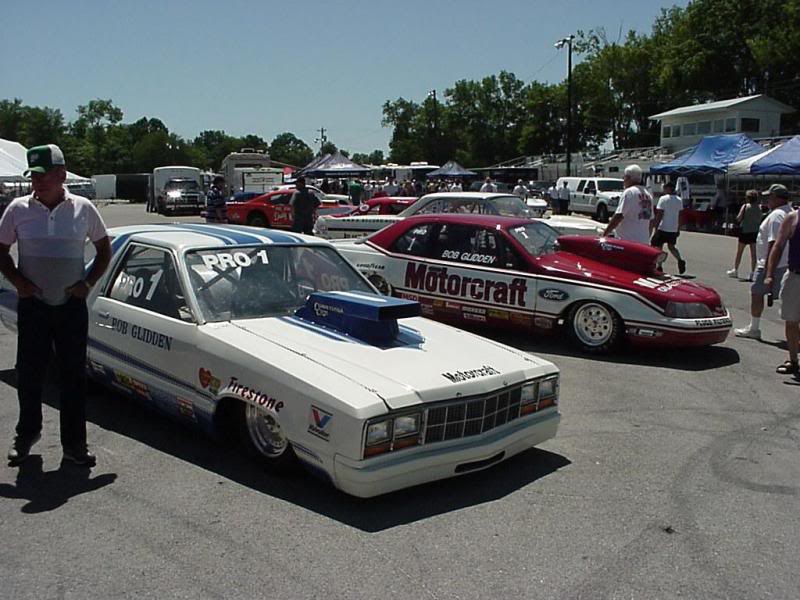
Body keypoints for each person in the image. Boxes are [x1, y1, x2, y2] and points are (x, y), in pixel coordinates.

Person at [0, 145, 111, 467]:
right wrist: (18, 281)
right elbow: (1, 250)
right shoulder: (18, 209)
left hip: (70, 307)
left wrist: (87, 284)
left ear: (61, 174)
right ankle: (26, 435)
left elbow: (104, 249)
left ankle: (74, 445)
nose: (37, 182)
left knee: (73, 377)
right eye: (33, 176)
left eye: (43, 175)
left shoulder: (84, 208)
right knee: (30, 374)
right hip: (34, 305)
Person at [734, 183, 794, 340]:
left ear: (776, 198)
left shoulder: (776, 216)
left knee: (757, 293)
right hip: (785, 262)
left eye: (769, 197)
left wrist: (769, 271)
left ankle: (754, 328)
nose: (767, 200)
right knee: (788, 297)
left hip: (771, 263)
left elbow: (774, 244)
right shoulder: (790, 212)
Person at [764, 204, 800, 375]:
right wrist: (769, 274)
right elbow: (777, 246)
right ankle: (793, 360)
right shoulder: (792, 218)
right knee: (791, 321)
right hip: (795, 276)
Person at [603, 164, 653, 244]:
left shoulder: (629, 192)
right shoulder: (648, 194)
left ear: (628, 178)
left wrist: (605, 233)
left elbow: (619, 215)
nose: (623, 180)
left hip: (628, 242)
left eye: (624, 177)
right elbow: (651, 220)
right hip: (643, 242)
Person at [651, 180, 686, 274]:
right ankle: (679, 259)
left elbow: (659, 214)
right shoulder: (679, 200)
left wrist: (655, 227)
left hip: (663, 227)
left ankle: (659, 266)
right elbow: (680, 215)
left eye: (665, 188)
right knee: (671, 247)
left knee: (659, 247)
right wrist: (678, 228)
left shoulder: (663, 199)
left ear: (668, 189)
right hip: (673, 228)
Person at [727, 190, 762, 280]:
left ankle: (735, 269)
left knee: (739, 252)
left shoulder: (745, 206)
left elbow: (738, 218)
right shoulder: (759, 207)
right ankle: (752, 272)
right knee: (753, 254)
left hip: (744, 231)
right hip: (754, 232)